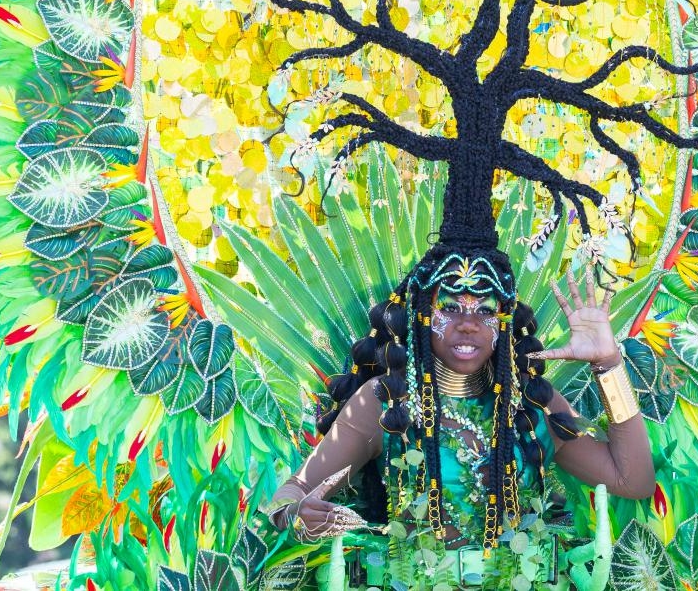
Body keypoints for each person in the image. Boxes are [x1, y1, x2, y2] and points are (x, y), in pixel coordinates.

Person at [268, 245, 655, 586]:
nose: (468, 323)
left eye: (485, 310)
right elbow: (288, 496)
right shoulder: (385, 401)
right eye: (450, 308)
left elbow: (632, 480)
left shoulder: (532, 403)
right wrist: (298, 516)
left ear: (504, 321)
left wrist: (607, 364)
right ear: (421, 315)